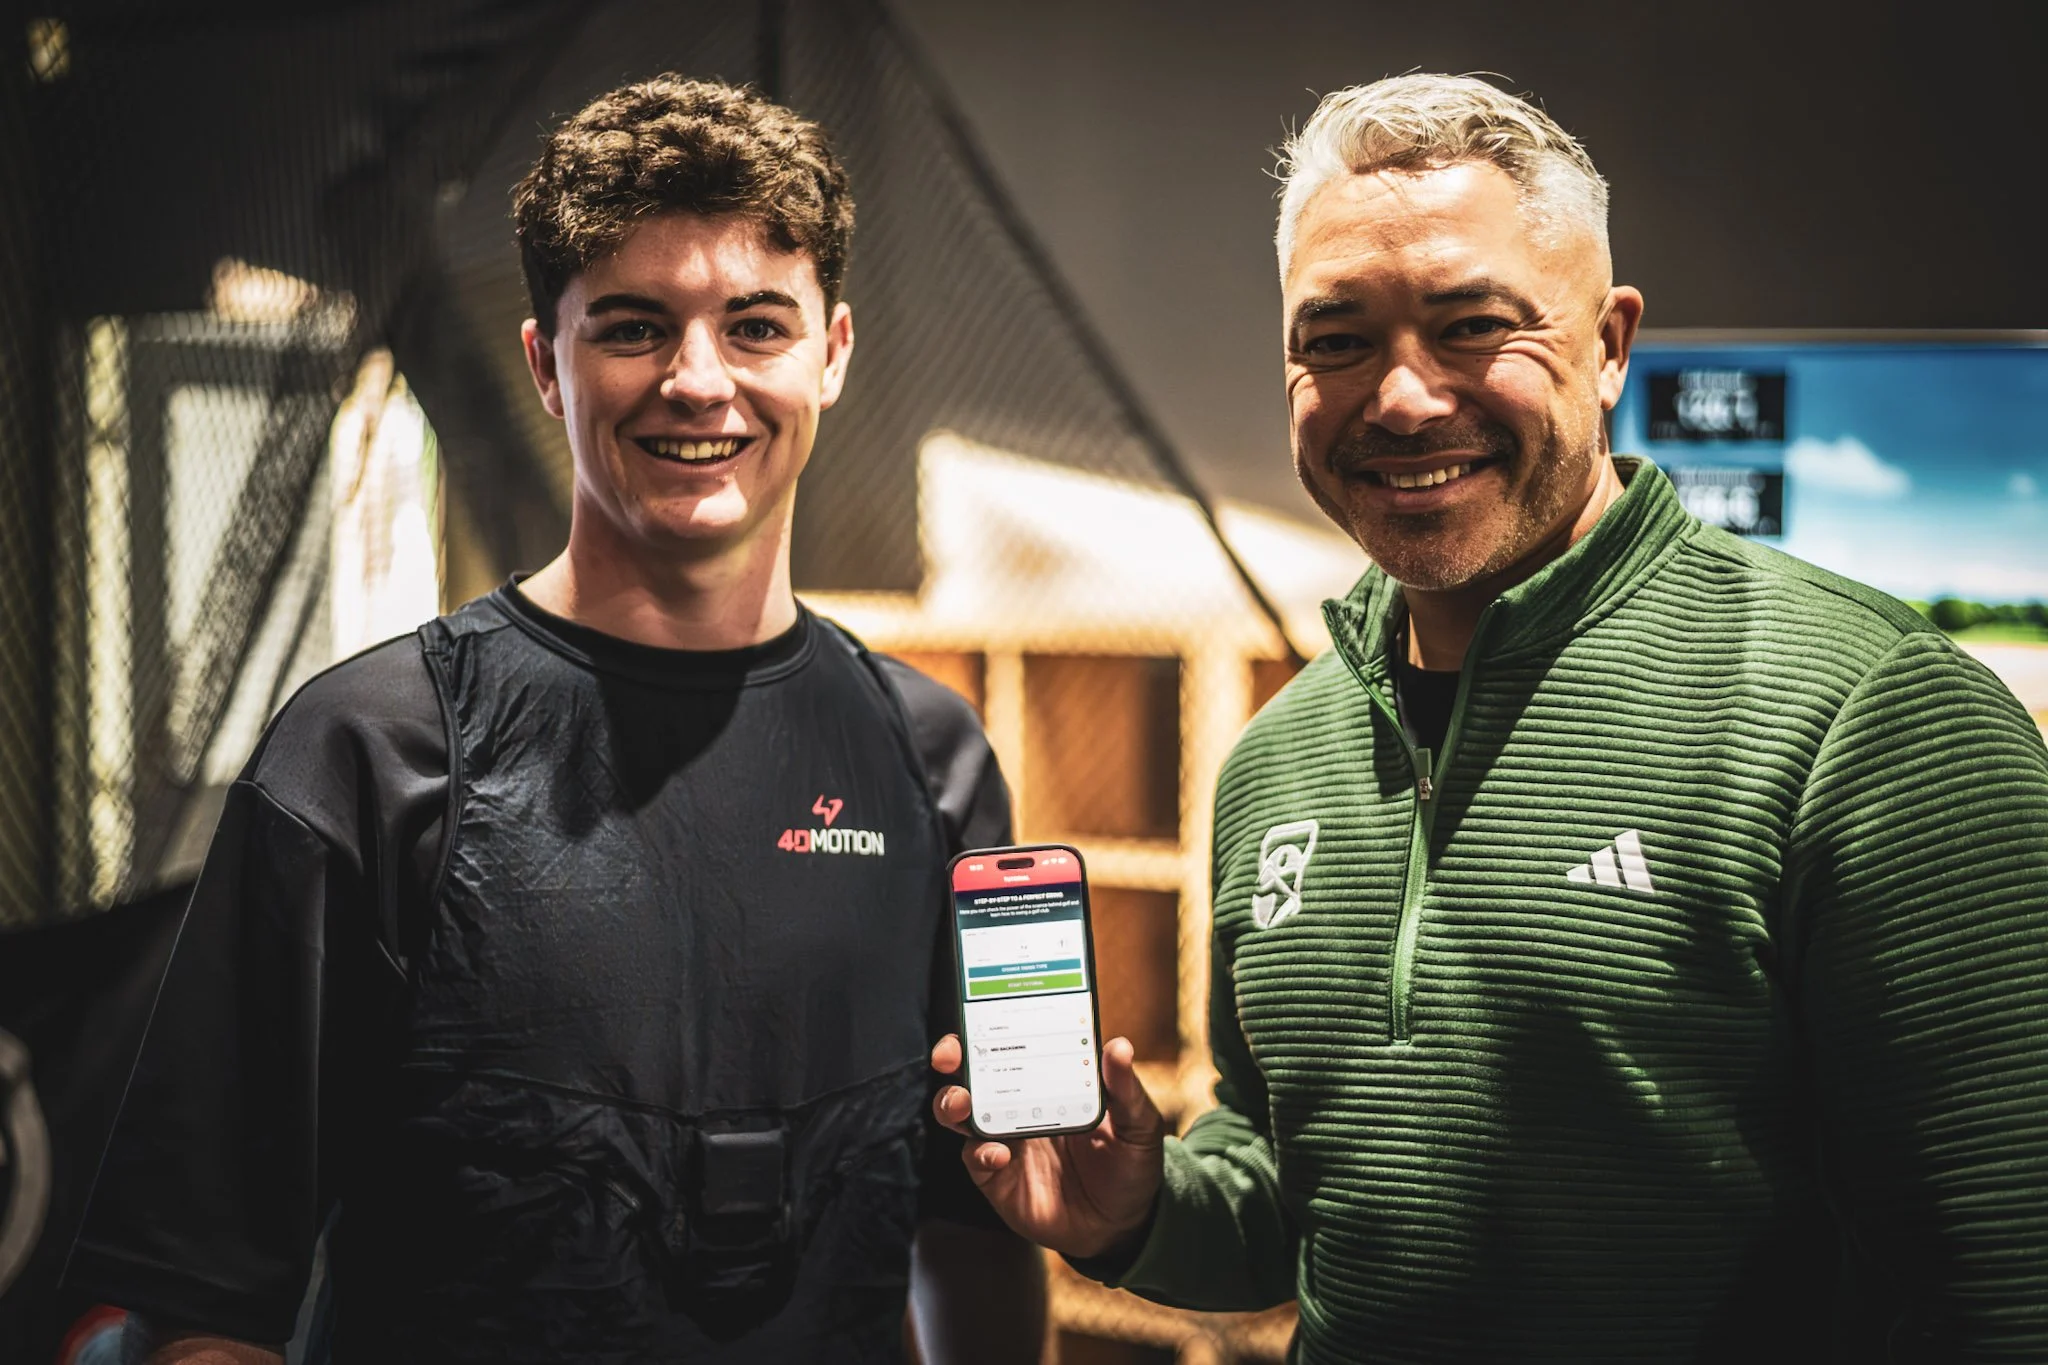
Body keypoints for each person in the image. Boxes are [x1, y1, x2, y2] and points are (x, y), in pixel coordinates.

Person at [934, 73, 2048, 1361]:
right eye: (1335, 340)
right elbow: (1292, 1197)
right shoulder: (1276, 761)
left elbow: (2005, 1290)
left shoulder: (1874, 719)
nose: (1401, 398)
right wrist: (1137, 1211)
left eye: (1470, 326)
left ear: (1610, 345)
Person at [68, 76, 1045, 1363]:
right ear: (545, 361)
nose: (699, 382)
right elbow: (203, 1295)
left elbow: (973, 1222)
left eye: (755, 326)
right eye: (634, 327)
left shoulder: (931, 759)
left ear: (833, 351)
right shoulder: (369, 753)